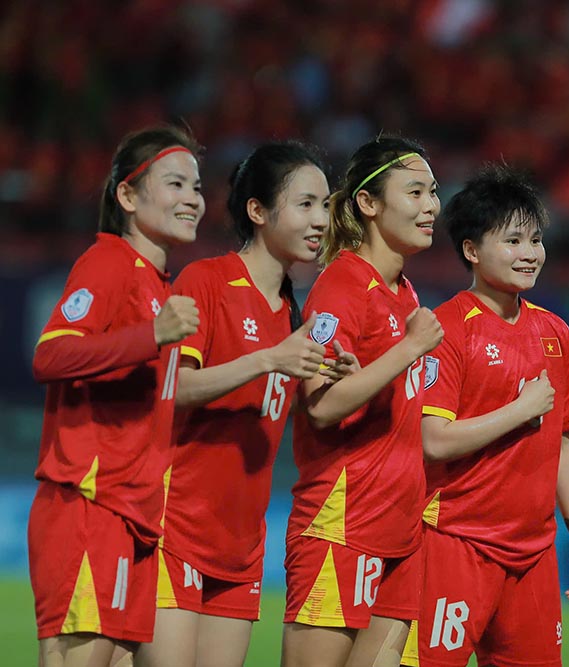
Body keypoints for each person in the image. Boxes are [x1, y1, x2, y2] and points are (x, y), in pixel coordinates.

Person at [137, 141, 358, 667]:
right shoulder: (206, 281)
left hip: (241, 546)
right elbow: (173, 389)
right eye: (305, 204)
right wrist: (267, 359)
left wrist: (331, 379)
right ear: (258, 211)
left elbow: (282, 407)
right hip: (173, 528)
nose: (320, 220)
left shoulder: (291, 314)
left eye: (325, 205)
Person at [398, 164, 569, 667]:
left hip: (534, 553)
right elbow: (434, 441)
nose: (530, 253)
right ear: (471, 249)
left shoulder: (556, 332)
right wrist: (520, 410)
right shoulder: (447, 328)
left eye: (536, 240)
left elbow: (563, 441)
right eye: (513, 240)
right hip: (456, 543)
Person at [29, 125, 203, 667]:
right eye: (175, 184)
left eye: (197, 187)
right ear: (127, 195)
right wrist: (151, 336)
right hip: (91, 505)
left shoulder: (158, 284)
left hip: (133, 515)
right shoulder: (108, 263)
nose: (193, 199)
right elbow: (50, 356)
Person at [281, 136, 444, 667]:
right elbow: (320, 406)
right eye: (415, 192)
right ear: (369, 203)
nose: (431, 206)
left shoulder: (405, 293)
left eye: (433, 192)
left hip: (400, 528)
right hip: (343, 525)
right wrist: (410, 348)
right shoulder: (343, 284)